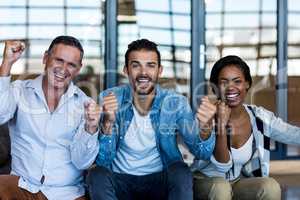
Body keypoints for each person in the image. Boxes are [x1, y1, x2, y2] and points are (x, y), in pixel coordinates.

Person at [72, 38, 215, 200]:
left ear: (159, 70)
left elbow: (203, 153)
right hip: (120, 181)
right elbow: (102, 161)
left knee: (181, 171)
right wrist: (107, 123)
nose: (143, 73)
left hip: (159, 181)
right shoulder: (109, 97)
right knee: (97, 174)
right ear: (126, 70)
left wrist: (206, 128)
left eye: (150, 65)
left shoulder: (175, 102)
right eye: (136, 65)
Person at [0, 36, 101, 200]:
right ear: (45, 58)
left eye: (71, 65)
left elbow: (82, 163)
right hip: (22, 187)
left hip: (67, 193)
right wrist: (7, 63)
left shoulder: (85, 105)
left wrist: (90, 129)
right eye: (59, 60)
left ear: (78, 69)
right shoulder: (20, 90)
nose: (63, 69)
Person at [192, 55, 300, 200]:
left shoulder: (259, 117)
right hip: (205, 182)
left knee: (269, 186)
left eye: (237, 81)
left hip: (236, 182)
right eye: (224, 82)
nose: (231, 88)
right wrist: (220, 125)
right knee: (220, 187)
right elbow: (222, 166)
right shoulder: (207, 117)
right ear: (215, 87)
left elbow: (292, 134)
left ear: (247, 84)